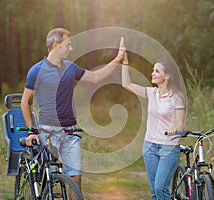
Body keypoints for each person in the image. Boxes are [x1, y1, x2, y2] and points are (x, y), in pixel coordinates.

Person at [21, 27, 125, 190]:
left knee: (75, 178)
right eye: (68, 44)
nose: (71, 48)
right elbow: (25, 101)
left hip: (70, 132)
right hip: (48, 131)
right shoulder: (36, 71)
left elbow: (96, 77)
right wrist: (31, 131)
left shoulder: (70, 67)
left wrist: (118, 58)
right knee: (47, 177)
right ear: (56, 44)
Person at [121, 52, 186, 200]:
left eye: (157, 71)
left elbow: (180, 125)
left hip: (168, 148)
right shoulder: (151, 93)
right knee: (155, 192)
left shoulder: (177, 96)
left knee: (160, 188)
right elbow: (126, 84)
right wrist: (125, 62)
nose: (153, 73)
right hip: (149, 146)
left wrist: (175, 130)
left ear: (167, 76)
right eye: (153, 70)